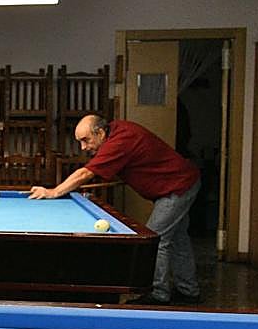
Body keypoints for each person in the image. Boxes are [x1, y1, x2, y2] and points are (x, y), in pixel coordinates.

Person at [28, 114, 201, 305]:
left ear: (101, 133)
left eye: (86, 140)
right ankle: (189, 290)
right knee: (178, 240)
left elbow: (85, 173)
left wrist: (53, 192)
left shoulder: (119, 141)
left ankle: (159, 295)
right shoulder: (117, 131)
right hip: (181, 183)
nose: (83, 147)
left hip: (177, 187)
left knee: (155, 240)